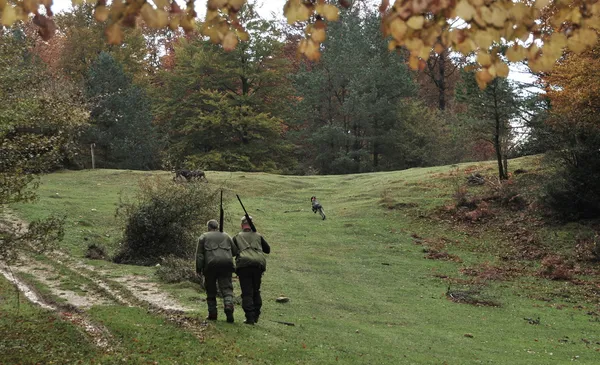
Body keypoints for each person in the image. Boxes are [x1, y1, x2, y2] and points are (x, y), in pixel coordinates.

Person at [196, 219, 238, 323]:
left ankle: (212, 314)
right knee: (227, 288)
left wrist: (198, 269)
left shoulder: (203, 237)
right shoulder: (226, 235)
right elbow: (235, 251)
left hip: (210, 266)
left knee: (210, 289)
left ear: (208, 227)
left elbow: (200, 255)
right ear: (217, 226)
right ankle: (228, 306)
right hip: (226, 265)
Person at [232, 216, 271, 325]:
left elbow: (232, 252)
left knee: (247, 293)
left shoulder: (237, 237)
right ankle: (256, 315)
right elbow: (267, 250)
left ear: (241, 225)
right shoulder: (258, 236)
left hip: (244, 266)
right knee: (256, 290)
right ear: (252, 224)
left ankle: (249, 317)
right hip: (258, 265)